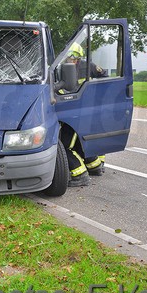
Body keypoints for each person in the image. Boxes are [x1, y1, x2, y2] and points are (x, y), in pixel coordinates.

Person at [60, 41, 107, 187]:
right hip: (72, 109)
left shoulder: (89, 66)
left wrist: (98, 97)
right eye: (69, 58)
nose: (72, 61)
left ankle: (80, 175)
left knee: (65, 144)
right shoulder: (60, 69)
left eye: (75, 58)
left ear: (80, 58)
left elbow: (105, 78)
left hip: (85, 110)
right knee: (82, 141)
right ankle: (96, 166)